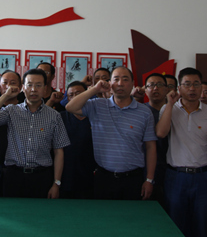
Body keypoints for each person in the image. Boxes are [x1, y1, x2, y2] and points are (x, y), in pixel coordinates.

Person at [66, 66, 157, 201]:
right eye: (116, 79)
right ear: (110, 83)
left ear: (132, 83)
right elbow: (70, 107)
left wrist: (149, 179)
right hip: (104, 178)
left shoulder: (144, 112)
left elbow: (150, 146)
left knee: (132, 214)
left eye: (125, 79)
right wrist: (95, 89)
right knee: (104, 214)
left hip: (133, 178)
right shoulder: (97, 105)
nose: (120, 83)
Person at [0, 69, 70, 198]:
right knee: (12, 210)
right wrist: (5, 96)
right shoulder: (11, 111)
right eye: (29, 85)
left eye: (38, 85)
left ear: (45, 89)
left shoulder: (54, 116)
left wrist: (56, 183)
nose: (33, 89)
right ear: (23, 88)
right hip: (13, 175)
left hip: (42, 176)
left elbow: (59, 152)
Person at [156, 67, 207, 237]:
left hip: (204, 176)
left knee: (203, 223)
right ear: (179, 88)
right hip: (176, 176)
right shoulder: (168, 108)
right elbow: (161, 133)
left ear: (201, 87)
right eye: (187, 84)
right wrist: (170, 104)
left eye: (196, 84)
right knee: (175, 223)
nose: (192, 89)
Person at [60, 81, 96, 199]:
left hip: (90, 172)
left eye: (78, 93)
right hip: (67, 172)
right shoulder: (61, 117)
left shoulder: (95, 116)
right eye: (71, 95)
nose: (75, 97)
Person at [143, 73, 173, 205]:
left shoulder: (176, 111)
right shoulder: (140, 111)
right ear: (145, 90)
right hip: (145, 168)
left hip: (171, 168)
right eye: (151, 85)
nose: (155, 88)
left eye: (160, 85)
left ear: (167, 89)